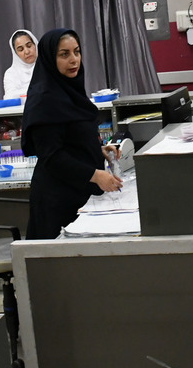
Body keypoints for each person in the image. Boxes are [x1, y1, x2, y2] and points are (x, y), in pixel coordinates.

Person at [21, 28, 120, 239]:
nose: (74, 60)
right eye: (64, 54)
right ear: (50, 59)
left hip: (78, 193)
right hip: (58, 202)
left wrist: (97, 149)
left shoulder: (69, 90)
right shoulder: (44, 100)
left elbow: (70, 137)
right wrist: (96, 175)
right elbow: (52, 157)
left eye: (77, 52)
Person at [3, 28, 38, 99]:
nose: (27, 52)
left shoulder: (48, 66)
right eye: (20, 49)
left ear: (35, 44)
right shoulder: (11, 73)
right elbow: (9, 96)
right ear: (15, 54)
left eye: (29, 46)